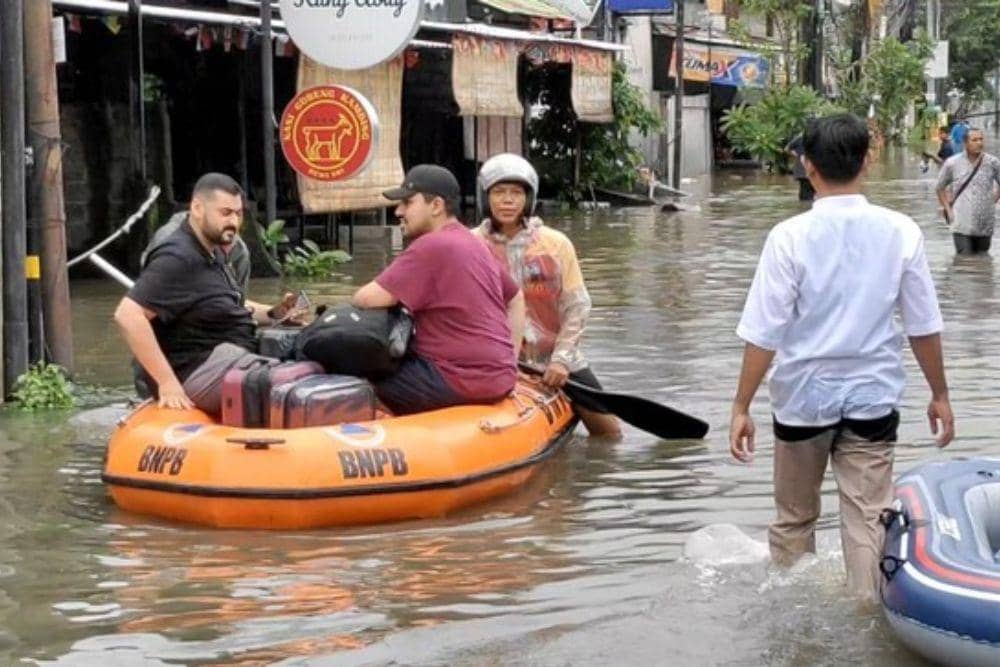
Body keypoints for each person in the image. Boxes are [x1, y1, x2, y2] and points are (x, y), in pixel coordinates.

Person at [729, 113, 954, 601]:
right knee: (869, 518)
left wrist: (741, 406)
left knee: (794, 520)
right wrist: (940, 394)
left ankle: (793, 625)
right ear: (868, 160)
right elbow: (923, 325)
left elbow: (764, 333)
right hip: (872, 400)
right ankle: (867, 614)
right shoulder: (901, 232)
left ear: (807, 166)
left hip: (801, 401)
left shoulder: (788, 238)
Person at [114, 173, 301, 416]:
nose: (234, 221)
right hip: (199, 369)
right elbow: (127, 315)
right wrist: (168, 383)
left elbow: (224, 304)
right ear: (198, 208)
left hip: (233, 354)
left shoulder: (215, 250)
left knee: (314, 348)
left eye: (238, 213)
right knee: (293, 388)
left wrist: (274, 312)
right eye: (225, 213)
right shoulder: (177, 257)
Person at [351, 164, 525, 416]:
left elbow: (365, 299)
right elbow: (516, 298)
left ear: (436, 206)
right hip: (499, 379)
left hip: (455, 380)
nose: (398, 211)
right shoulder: (474, 243)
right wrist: (512, 361)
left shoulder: (432, 245)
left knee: (344, 366)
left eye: (408, 203)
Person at [473, 153, 621, 438]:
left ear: (528, 198)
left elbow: (576, 307)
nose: (507, 200)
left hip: (553, 357)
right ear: (485, 197)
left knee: (609, 434)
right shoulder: (471, 244)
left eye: (516, 193)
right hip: (497, 359)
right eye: (499, 192)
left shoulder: (555, 244)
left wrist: (562, 359)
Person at [936, 128, 1000, 254]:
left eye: (981, 139)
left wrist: (993, 200)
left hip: (985, 222)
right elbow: (939, 188)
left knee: (983, 260)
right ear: (965, 143)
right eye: (974, 140)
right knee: (964, 260)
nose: (979, 143)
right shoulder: (952, 163)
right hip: (961, 222)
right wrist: (948, 210)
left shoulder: (993, 163)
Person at [785, 132, 814, 201]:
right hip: (811, 169)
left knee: (804, 192)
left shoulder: (800, 137)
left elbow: (786, 149)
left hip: (802, 170)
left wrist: (796, 154)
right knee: (810, 192)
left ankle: (803, 207)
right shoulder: (818, 138)